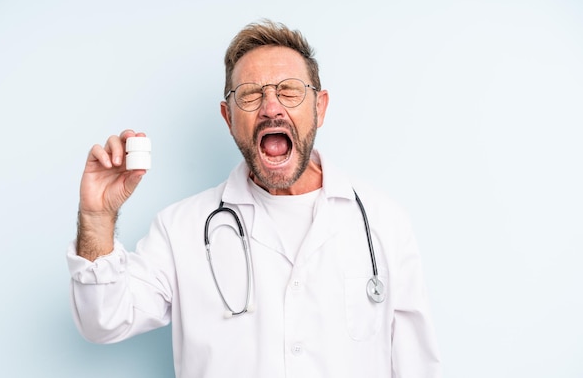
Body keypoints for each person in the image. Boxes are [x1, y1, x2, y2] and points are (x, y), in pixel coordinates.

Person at [67, 19, 441, 378]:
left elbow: (416, 366)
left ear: (320, 107)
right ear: (228, 117)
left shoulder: (383, 222)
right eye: (250, 95)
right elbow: (103, 320)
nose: (271, 107)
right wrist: (98, 217)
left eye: (290, 90)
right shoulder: (180, 229)